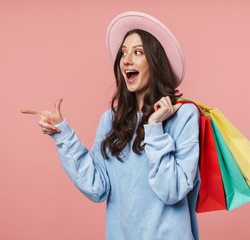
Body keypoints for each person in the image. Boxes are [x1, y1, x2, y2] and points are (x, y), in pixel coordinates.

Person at [21, 11, 201, 240]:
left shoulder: (183, 115)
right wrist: (63, 134)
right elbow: (97, 188)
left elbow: (172, 191)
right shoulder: (111, 120)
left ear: (156, 62)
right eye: (124, 52)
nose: (126, 60)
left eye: (138, 52)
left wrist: (154, 127)